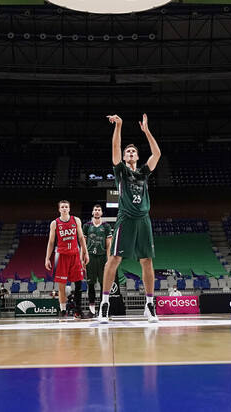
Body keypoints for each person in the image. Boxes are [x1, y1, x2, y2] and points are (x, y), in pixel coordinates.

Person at [98, 114, 161, 324]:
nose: (131, 152)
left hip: (144, 220)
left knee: (147, 261)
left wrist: (147, 131)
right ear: (125, 158)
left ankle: (149, 305)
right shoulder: (121, 171)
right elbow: (115, 147)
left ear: (137, 156)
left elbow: (157, 153)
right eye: (128, 151)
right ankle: (104, 303)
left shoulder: (143, 172)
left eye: (133, 151)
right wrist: (119, 125)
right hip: (125, 219)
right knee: (114, 259)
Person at [45, 200, 89, 318]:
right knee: (62, 286)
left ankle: (78, 310)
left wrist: (86, 253)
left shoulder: (76, 220)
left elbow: (81, 238)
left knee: (79, 284)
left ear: (69, 209)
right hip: (61, 256)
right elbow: (51, 242)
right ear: (59, 209)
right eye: (62, 207)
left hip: (75, 255)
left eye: (66, 207)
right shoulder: (55, 223)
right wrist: (47, 258)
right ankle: (63, 310)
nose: (64, 208)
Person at [83, 203, 113, 315]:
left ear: (101, 213)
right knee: (90, 284)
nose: (96, 211)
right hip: (90, 257)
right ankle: (91, 310)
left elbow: (109, 244)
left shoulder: (106, 226)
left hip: (102, 258)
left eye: (98, 210)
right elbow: (83, 244)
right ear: (92, 212)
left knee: (103, 284)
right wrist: (83, 258)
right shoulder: (86, 226)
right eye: (95, 209)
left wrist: (109, 259)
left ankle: (102, 309)